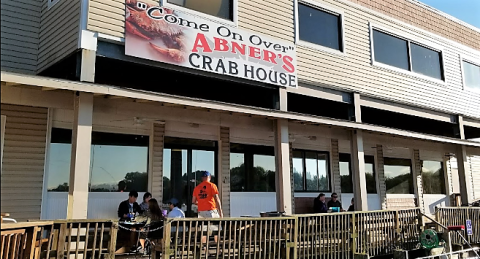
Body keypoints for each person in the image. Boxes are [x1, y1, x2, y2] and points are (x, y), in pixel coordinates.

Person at [192, 171, 223, 244]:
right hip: (211, 211)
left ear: (202, 178)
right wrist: (220, 212)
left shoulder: (197, 188)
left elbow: (193, 201)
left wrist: (201, 203)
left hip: (201, 212)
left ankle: (206, 250)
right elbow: (217, 199)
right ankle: (218, 250)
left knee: (204, 232)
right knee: (216, 230)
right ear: (209, 177)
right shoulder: (212, 186)